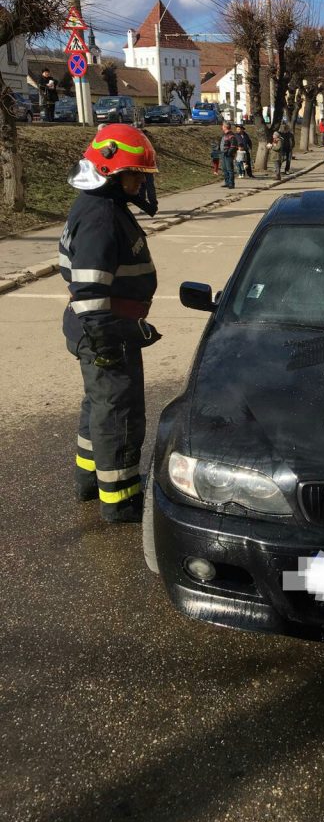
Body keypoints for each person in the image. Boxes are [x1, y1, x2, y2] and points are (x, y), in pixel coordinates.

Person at [58, 125, 162, 524]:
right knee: (118, 413)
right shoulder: (101, 217)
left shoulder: (101, 206)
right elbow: (90, 295)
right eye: (136, 175)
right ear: (110, 174)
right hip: (105, 332)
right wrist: (109, 338)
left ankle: (89, 480)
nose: (140, 182)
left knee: (98, 407)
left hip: (102, 329)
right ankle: (120, 499)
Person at [219, 123, 236, 189]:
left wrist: (229, 153)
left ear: (225, 127)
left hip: (228, 154)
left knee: (229, 169)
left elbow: (233, 146)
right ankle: (227, 182)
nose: (222, 127)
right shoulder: (224, 135)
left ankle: (231, 184)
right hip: (223, 153)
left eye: (222, 126)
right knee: (225, 169)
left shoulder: (231, 135)